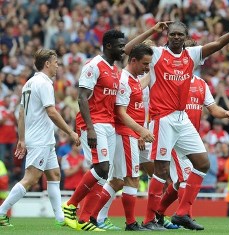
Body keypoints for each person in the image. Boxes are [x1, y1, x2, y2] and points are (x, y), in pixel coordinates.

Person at [124, 15, 229, 230]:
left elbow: (218, 44)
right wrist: (151, 31)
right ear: (167, 35)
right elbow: (129, 49)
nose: (175, 37)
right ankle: (149, 220)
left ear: (185, 37)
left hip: (181, 117)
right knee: (162, 171)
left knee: (203, 163)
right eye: (172, 34)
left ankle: (182, 213)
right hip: (162, 118)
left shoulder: (191, 55)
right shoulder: (156, 54)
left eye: (179, 34)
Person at [155, 39, 229, 226]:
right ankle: (184, 215)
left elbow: (213, 109)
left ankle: (159, 212)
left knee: (178, 184)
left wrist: (226, 113)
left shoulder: (201, 84)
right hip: (172, 134)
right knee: (186, 175)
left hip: (189, 136)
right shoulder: (169, 79)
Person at [0, 49, 80, 227]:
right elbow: (51, 111)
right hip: (40, 139)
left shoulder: (29, 83)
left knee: (54, 174)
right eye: (56, 62)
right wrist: (70, 132)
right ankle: (1, 211)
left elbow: (21, 112)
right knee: (31, 178)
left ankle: (60, 218)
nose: (58, 65)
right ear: (47, 64)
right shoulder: (44, 83)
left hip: (43, 138)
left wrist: (22, 138)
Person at [61, 29, 126, 231]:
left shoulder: (115, 69)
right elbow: (82, 97)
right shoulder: (93, 65)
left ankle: (85, 219)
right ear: (108, 46)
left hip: (108, 124)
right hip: (93, 123)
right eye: (120, 46)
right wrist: (89, 129)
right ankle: (71, 205)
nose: (123, 49)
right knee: (102, 168)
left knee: (103, 173)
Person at [88, 43, 154, 231]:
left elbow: (139, 90)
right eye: (145, 64)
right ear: (133, 60)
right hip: (126, 134)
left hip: (128, 134)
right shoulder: (124, 79)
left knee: (117, 180)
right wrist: (141, 131)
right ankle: (131, 223)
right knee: (131, 179)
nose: (147, 67)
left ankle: (92, 216)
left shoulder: (132, 78)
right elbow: (121, 112)